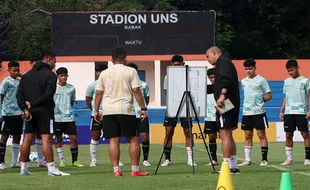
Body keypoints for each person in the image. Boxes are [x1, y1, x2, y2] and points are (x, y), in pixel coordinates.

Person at [94, 48, 148, 177]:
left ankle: (116, 170)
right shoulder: (131, 71)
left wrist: (96, 110)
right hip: (126, 110)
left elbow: (98, 93)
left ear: (112, 60)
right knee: (133, 139)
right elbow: (136, 90)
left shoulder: (104, 73)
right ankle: (135, 170)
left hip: (109, 110)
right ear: (125, 59)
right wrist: (143, 108)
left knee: (114, 140)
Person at [17, 52, 69, 176]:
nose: (54, 65)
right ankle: (51, 169)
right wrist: (33, 104)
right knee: (46, 138)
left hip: (29, 112)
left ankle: (23, 168)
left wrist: (25, 109)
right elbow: (48, 95)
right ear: (49, 59)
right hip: (45, 110)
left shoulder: (26, 75)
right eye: (54, 62)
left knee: (27, 139)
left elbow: (19, 95)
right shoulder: (51, 75)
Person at [206, 46, 240, 173]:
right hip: (230, 101)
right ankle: (233, 165)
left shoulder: (223, 62)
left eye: (208, 56)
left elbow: (226, 80)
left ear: (214, 53)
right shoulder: (225, 62)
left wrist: (222, 95)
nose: (208, 60)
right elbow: (218, 85)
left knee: (224, 133)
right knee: (229, 134)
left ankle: (226, 166)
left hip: (226, 102)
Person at [161, 55, 196, 167]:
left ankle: (190, 159)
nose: (176, 67)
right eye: (174, 65)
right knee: (168, 132)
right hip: (172, 107)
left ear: (183, 64)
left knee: (188, 132)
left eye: (178, 65)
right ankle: (167, 159)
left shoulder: (189, 76)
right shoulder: (168, 77)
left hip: (186, 107)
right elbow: (167, 93)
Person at [238, 58, 272, 166]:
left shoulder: (262, 80)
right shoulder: (243, 82)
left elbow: (269, 95)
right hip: (247, 112)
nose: (248, 71)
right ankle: (247, 159)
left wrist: (260, 101)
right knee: (247, 135)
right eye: (246, 69)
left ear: (255, 68)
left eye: (250, 68)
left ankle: (264, 159)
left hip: (259, 112)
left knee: (261, 134)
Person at [279, 59, 310, 165]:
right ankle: (289, 158)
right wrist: (282, 110)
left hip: (301, 112)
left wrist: (309, 110)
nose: (290, 73)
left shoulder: (305, 81)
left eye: (292, 70)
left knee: (305, 134)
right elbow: (285, 97)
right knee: (288, 135)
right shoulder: (286, 82)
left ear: (297, 67)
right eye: (288, 71)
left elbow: (309, 96)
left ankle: (308, 158)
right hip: (289, 112)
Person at [54, 67, 83, 167]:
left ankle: (74, 161)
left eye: (65, 75)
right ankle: (62, 161)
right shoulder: (53, 87)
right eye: (61, 76)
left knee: (73, 138)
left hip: (69, 118)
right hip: (57, 118)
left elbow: (72, 101)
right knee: (58, 139)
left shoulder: (71, 88)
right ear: (57, 76)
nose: (64, 77)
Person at [19, 58, 46, 167]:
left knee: (41, 136)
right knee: (28, 138)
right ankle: (24, 163)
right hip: (30, 111)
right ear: (30, 63)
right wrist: (25, 107)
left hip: (41, 110)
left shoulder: (43, 76)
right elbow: (21, 94)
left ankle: (40, 161)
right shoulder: (26, 77)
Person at [127, 63, 151, 167]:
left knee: (144, 136)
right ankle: (132, 160)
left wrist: (143, 108)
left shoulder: (144, 84)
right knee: (131, 138)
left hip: (141, 114)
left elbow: (147, 99)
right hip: (129, 113)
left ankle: (145, 159)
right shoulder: (125, 85)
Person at [0, 61, 23, 169]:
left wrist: (20, 74)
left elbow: (28, 79)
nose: (16, 72)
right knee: (4, 136)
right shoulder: (6, 82)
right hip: (7, 113)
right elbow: (1, 97)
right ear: (8, 70)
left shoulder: (20, 81)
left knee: (17, 136)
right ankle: (1, 162)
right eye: (14, 70)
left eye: (17, 70)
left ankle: (14, 162)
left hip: (18, 113)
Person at [204, 68, 219, 166]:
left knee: (226, 136)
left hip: (220, 115)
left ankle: (229, 158)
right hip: (209, 116)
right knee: (211, 137)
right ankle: (214, 160)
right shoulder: (205, 88)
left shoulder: (222, 88)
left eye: (214, 77)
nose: (212, 79)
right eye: (210, 77)